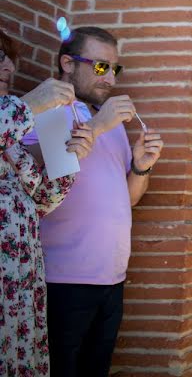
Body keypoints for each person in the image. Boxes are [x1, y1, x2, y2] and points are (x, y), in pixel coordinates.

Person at [22, 26, 164, 376]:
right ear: (68, 63)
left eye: (114, 69)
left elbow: (127, 200)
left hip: (111, 280)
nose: (110, 79)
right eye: (101, 67)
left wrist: (141, 168)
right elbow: (46, 176)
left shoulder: (112, 122)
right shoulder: (49, 107)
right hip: (62, 281)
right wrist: (98, 125)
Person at [0, 29, 94, 375]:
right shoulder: (16, 114)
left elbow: (40, 202)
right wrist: (28, 105)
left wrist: (69, 158)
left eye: (11, 58)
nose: (9, 66)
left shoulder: (14, 130)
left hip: (20, 284)